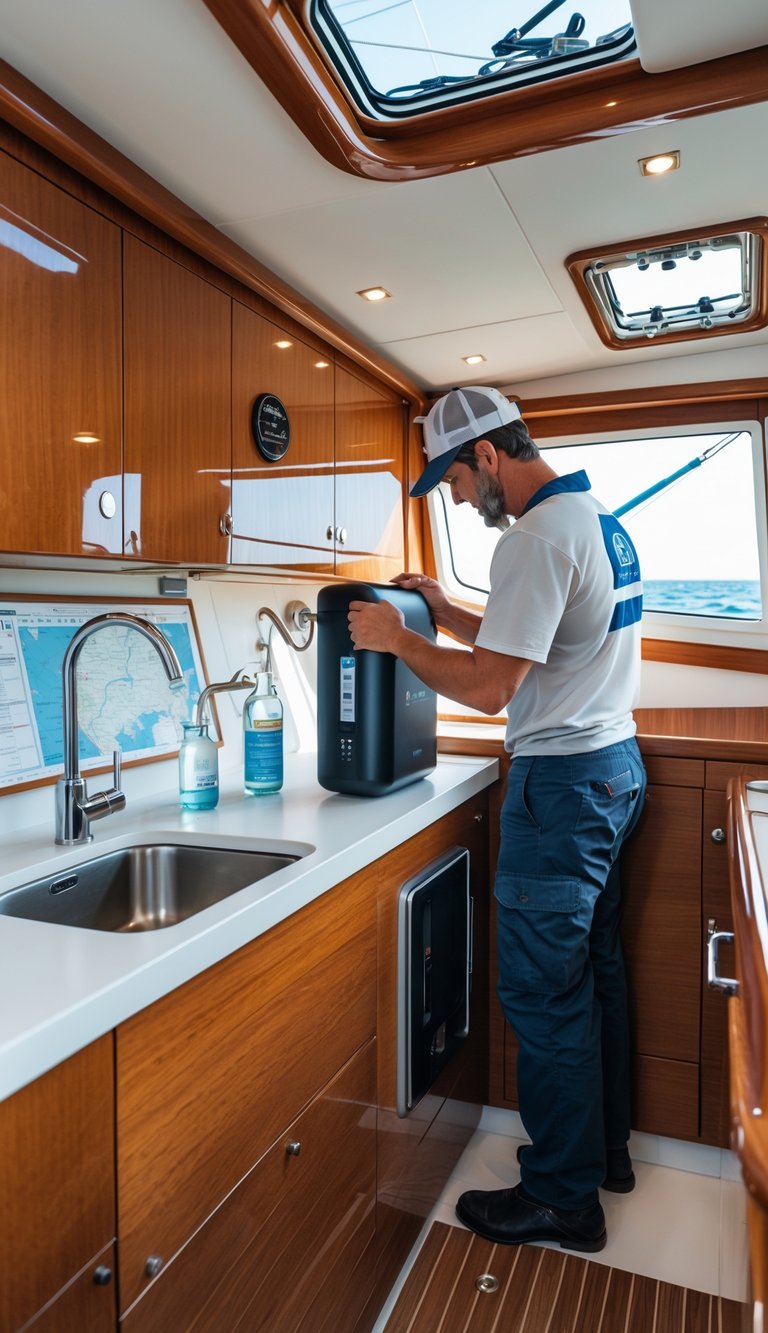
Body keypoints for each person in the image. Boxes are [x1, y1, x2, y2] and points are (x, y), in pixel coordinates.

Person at [348, 384, 647, 1254]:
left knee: (543, 995)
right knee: (591, 977)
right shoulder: (593, 520)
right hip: (613, 772)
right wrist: (442, 612)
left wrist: (398, 640)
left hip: (561, 789)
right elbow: (527, 639)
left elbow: (488, 687)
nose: (451, 494)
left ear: (487, 455)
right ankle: (602, 1157)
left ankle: (561, 1199)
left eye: (450, 476)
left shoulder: (533, 539)